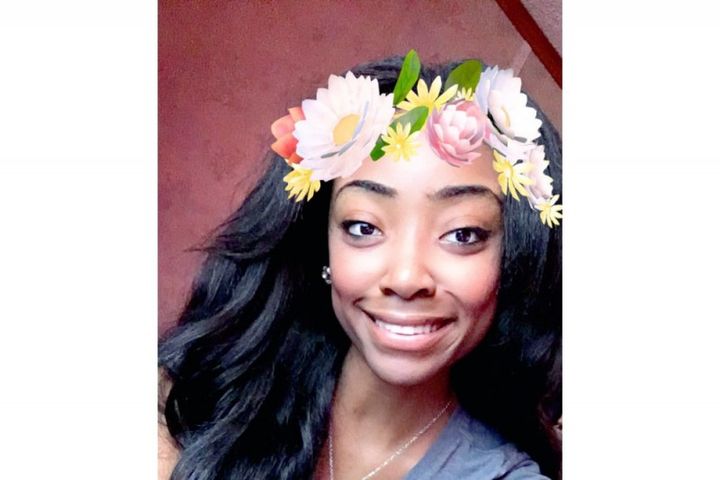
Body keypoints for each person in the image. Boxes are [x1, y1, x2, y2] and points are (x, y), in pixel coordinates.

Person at [158, 51, 562, 480]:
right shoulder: (196, 394)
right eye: (363, 227)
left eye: (463, 234)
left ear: (516, 261)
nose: (406, 278)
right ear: (323, 246)